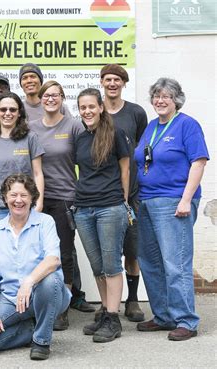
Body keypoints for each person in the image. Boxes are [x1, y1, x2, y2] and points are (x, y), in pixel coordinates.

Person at [135, 78, 209, 341]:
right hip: (146, 201)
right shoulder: (152, 126)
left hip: (173, 202)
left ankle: (186, 320)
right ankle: (164, 315)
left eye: (166, 96)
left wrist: (186, 199)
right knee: (150, 262)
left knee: (175, 263)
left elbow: (198, 163)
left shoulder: (187, 125)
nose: (160, 100)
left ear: (177, 99)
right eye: (156, 96)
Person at [0, 174, 71, 360]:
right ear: (5, 198)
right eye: (13, 195)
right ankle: (31, 327)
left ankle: (41, 341)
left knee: (50, 280)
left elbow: (53, 259)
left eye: (24, 195)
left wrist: (29, 282)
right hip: (10, 299)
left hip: (45, 294)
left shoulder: (45, 222)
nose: (18, 200)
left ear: (32, 198)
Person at [29, 80, 91, 330]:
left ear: (63, 98)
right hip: (38, 199)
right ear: (41, 99)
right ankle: (40, 303)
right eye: (46, 95)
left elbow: (85, 158)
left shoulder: (74, 125)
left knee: (64, 253)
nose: (50, 99)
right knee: (38, 254)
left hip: (66, 197)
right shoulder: (32, 128)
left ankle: (62, 307)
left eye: (55, 95)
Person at [73, 88, 130, 343]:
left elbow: (125, 168)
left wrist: (124, 201)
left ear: (100, 107)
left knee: (111, 264)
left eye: (91, 107)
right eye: (83, 108)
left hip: (110, 206)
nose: (87, 111)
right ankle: (106, 313)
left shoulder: (116, 133)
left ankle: (113, 318)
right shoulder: (80, 138)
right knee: (97, 266)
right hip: (83, 208)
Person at [100, 64, 148, 322]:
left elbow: (142, 152)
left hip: (131, 193)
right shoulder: (95, 111)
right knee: (107, 252)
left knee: (132, 248)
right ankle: (108, 304)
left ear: (124, 83)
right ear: (102, 82)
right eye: (108, 79)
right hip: (103, 192)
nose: (112, 84)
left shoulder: (136, 113)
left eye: (117, 79)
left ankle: (132, 300)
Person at [0, 92, 45, 232]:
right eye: (3, 109)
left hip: (26, 207)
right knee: (1, 253)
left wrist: (38, 205)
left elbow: (38, 174)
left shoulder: (30, 138)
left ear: (19, 113)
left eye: (12, 110)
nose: (7, 113)